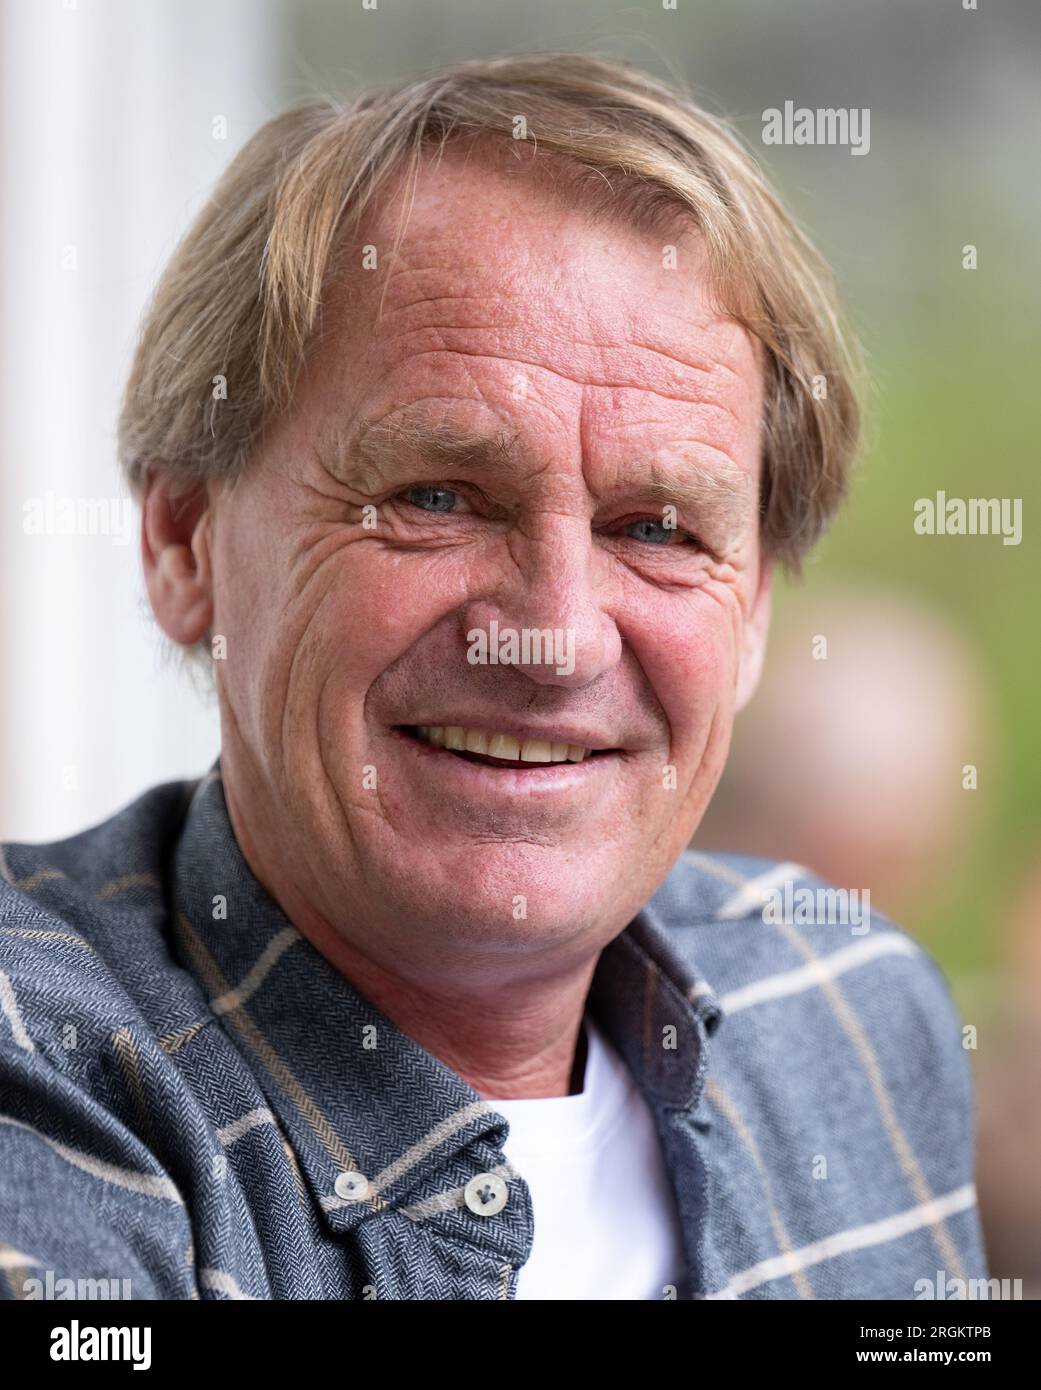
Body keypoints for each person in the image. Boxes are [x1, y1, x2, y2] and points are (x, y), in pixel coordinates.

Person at [0, 52, 987, 1300]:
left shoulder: (853, 1010)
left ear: (750, 622)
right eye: (436, 497)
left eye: (659, 527)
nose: (557, 637)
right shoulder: (41, 1057)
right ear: (185, 542)